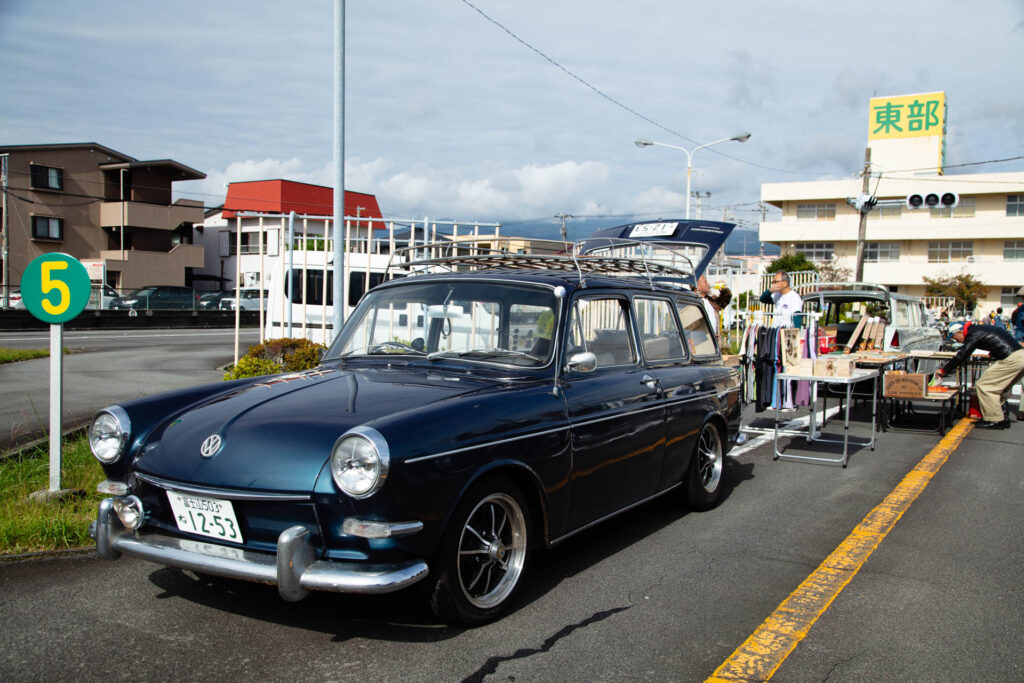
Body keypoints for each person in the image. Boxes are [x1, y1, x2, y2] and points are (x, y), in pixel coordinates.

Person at [933, 321, 1024, 429]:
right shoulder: (980, 329)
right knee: (1000, 388)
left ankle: (995, 419)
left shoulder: (973, 334)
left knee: (985, 386)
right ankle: (1002, 417)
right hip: (1019, 355)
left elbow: (962, 354)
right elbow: (1000, 337)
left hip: (1011, 358)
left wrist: (944, 370)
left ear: (960, 332)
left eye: (955, 337)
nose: (956, 340)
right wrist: (995, 352)